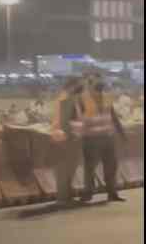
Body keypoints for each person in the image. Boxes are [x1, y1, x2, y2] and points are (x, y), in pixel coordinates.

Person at [76, 73, 126, 203]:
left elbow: (113, 116)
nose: (100, 83)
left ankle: (112, 193)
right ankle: (88, 194)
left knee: (111, 166)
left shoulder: (107, 97)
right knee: (90, 168)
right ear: (90, 83)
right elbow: (76, 118)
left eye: (101, 80)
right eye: (96, 81)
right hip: (91, 138)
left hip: (108, 137)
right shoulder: (82, 99)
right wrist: (77, 136)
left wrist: (121, 132)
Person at [49, 76, 84, 205]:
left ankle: (66, 196)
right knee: (65, 168)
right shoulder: (66, 99)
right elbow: (64, 121)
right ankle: (63, 198)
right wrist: (74, 135)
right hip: (67, 139)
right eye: (79, 85)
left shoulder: (68, 98)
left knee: (68, 168)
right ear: (72, 86)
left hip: (67, 137)